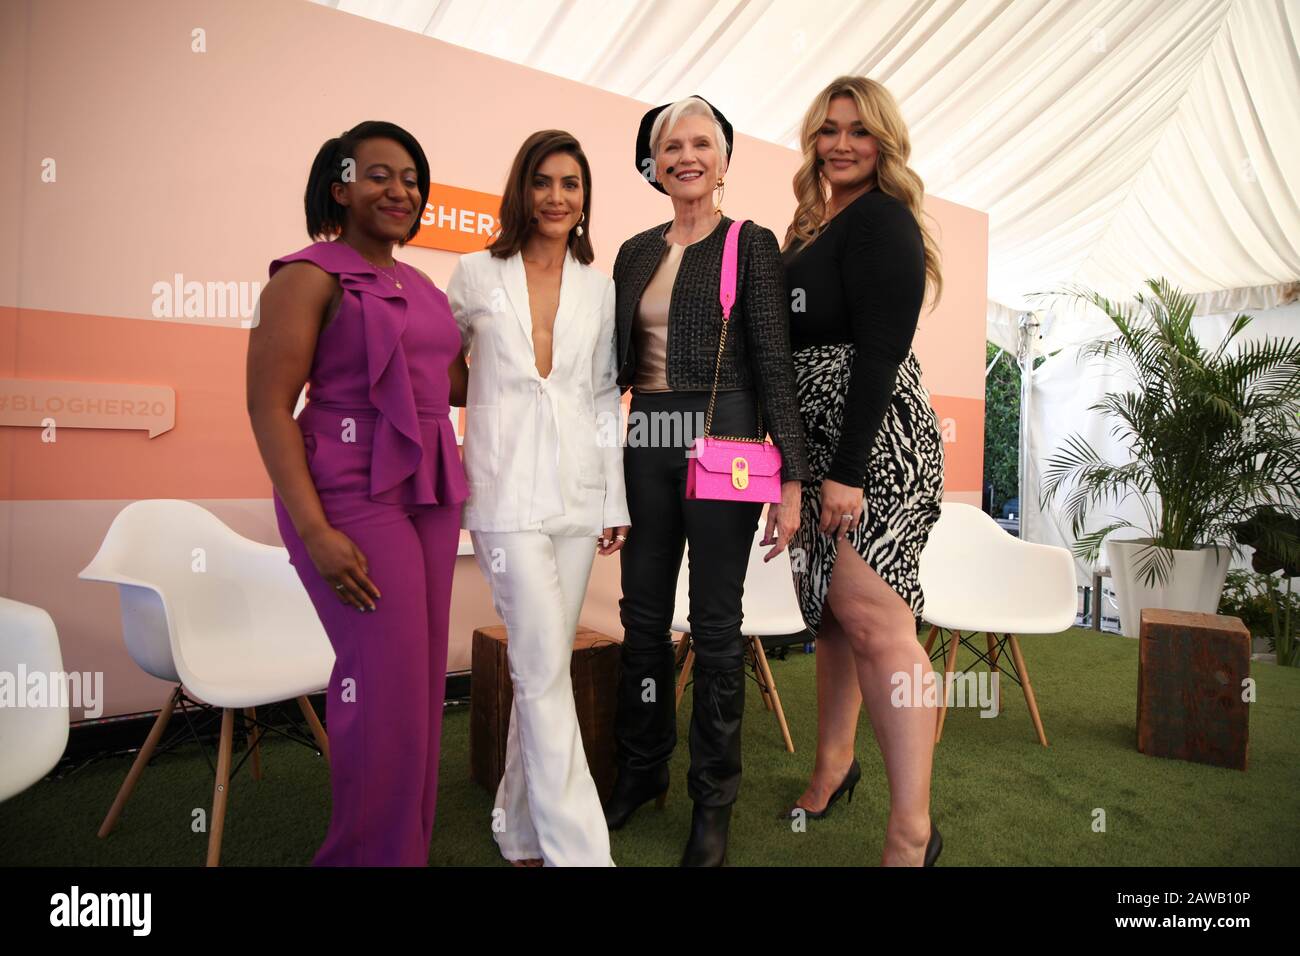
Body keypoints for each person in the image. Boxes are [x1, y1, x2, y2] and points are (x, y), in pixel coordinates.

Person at [246, 121, 467, 866]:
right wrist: (314, 532)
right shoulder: (306, 276)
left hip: (432, 488)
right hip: (347, 494)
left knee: (420, 685)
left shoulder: (426, 289)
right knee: (379, 685)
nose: (398, 189)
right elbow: (269, 406)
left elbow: (453, 382)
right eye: (378, 174)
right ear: (338, 187)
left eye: (410, 177)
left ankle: (404, 848)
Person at [606, 95, 809, 866]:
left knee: (716, 627)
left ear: (723, 161)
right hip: (645, 437)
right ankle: (640, 771)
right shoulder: (630, 252)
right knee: (642, 618)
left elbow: (774, 368)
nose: (685, 156)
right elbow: (609, 371)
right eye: (671, 146)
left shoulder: (749, 244)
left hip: (723, 441)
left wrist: (789, 481)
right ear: (653, 163)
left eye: (701, 143)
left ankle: (712, 803)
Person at [445, 130, 629, 867]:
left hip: (579, 496)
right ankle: (581, 853)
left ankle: (518, 829)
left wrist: (613, 499)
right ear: (523, 190)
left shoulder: (600, 285)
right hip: (503, 489)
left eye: (572, 184)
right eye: (544, 182)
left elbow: (601, 393)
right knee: (543, 663)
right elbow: (441, 364)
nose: (557, 197)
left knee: (540, 666)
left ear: (585, 199)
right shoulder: (472, 273)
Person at [778, 76, 946, 866]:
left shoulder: (883, 219)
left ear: (885, 142)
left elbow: (879, 352)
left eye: (860, 130)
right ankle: (833, 767)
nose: (842, 143)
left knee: (877, 621)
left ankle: (913, 828)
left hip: (870, 442)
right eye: (828, 130)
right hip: (815, 448)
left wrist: (845, 472)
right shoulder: (810, 225)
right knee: (833, 618)